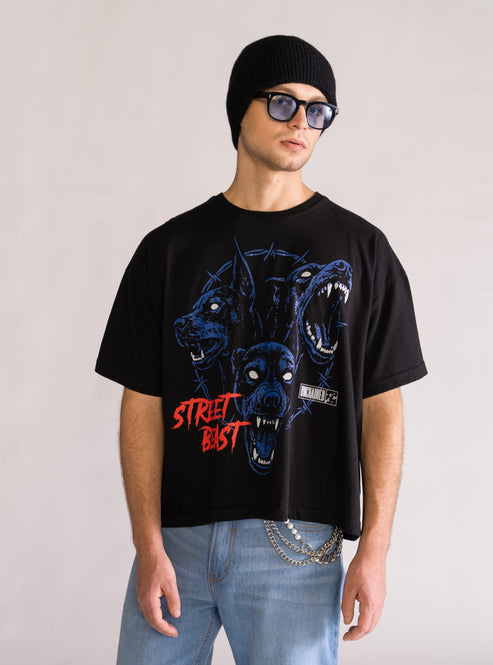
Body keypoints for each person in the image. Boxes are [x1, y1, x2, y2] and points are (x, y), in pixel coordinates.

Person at [95, 34, 428, 665]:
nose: (301, 122)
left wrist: (376, 549)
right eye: (281, 103)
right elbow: (141, 403)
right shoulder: (168, 251)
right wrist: (147, 543)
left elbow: (382, 407)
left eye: (318, 110)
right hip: (177, 541)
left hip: (296, 543)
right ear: (239, 110)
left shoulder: (363, 252)